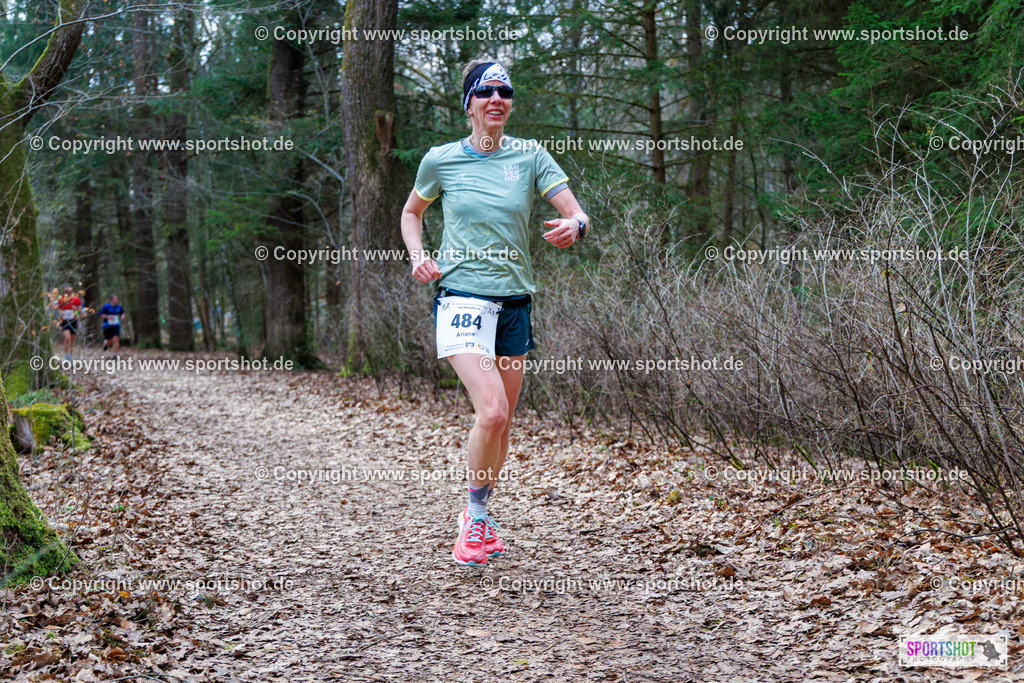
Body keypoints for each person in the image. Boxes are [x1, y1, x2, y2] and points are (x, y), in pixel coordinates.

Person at [401, 59, 590, 566]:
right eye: (485, 93)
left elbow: (575, 210)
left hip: (514, 302)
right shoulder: (441, 160)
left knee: (502, 426)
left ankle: (476, 516)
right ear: (469, 104)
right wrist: (420, 256)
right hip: (461, 297)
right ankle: (476, 519)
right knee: (493, 411)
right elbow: (411, 212)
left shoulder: (529, 156)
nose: (496, 100)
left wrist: (577, 226)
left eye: (504, 92)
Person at [54, 284, 82, 360]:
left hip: (73, 320)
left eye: (69, 291)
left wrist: (75, 310)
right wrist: (61, 313)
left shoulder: (76, 299)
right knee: (67, 338)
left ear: (71, 290)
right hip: (65, 320)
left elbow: (78, 311)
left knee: (72, 339)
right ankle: (66, 355)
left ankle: (70, 355)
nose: (68, 292)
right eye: (66, 291)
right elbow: (58, 308)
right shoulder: (62, 299)